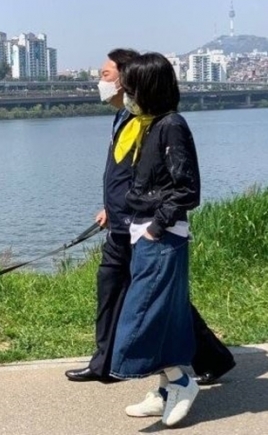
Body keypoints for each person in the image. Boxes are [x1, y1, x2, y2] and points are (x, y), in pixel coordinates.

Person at [65, 49, 235, 386]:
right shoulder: (125, 119)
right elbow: (127, 176)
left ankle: (178, 371)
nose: (102, 81)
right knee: (120, 290)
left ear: (132, 79)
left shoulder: (154, 121)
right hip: (122, 222)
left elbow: (173, 184)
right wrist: (110, 208)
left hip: (141, 227)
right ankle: (111, 364)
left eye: (107, 74)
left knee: (152, 298)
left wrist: (153, 227)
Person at [108, 51, 205, 426]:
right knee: (167, 318)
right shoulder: (147, 124)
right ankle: (166, 389)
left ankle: (181, 381)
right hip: (146, 233)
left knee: (140, 317)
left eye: (130, 87)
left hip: (161, 236)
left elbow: (187, 189)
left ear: (147, 88)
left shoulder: (171, 126)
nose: (125, 94)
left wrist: (155, 226)